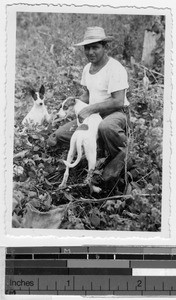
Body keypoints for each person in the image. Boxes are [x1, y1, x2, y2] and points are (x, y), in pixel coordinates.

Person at [47, 26, 130, 181]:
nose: (90, 52)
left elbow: (118, 101)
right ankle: (97, 148)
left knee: (106, 127)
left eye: (95, 47)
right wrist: (71, 104)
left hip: (115, 113)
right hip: (93, 116)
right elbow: (89, 94)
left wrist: (91, 108)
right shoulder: (87, 68)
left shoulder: (114, 68)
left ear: (105, 47)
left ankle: (123, 155)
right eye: (87, 48)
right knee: (60, 134)